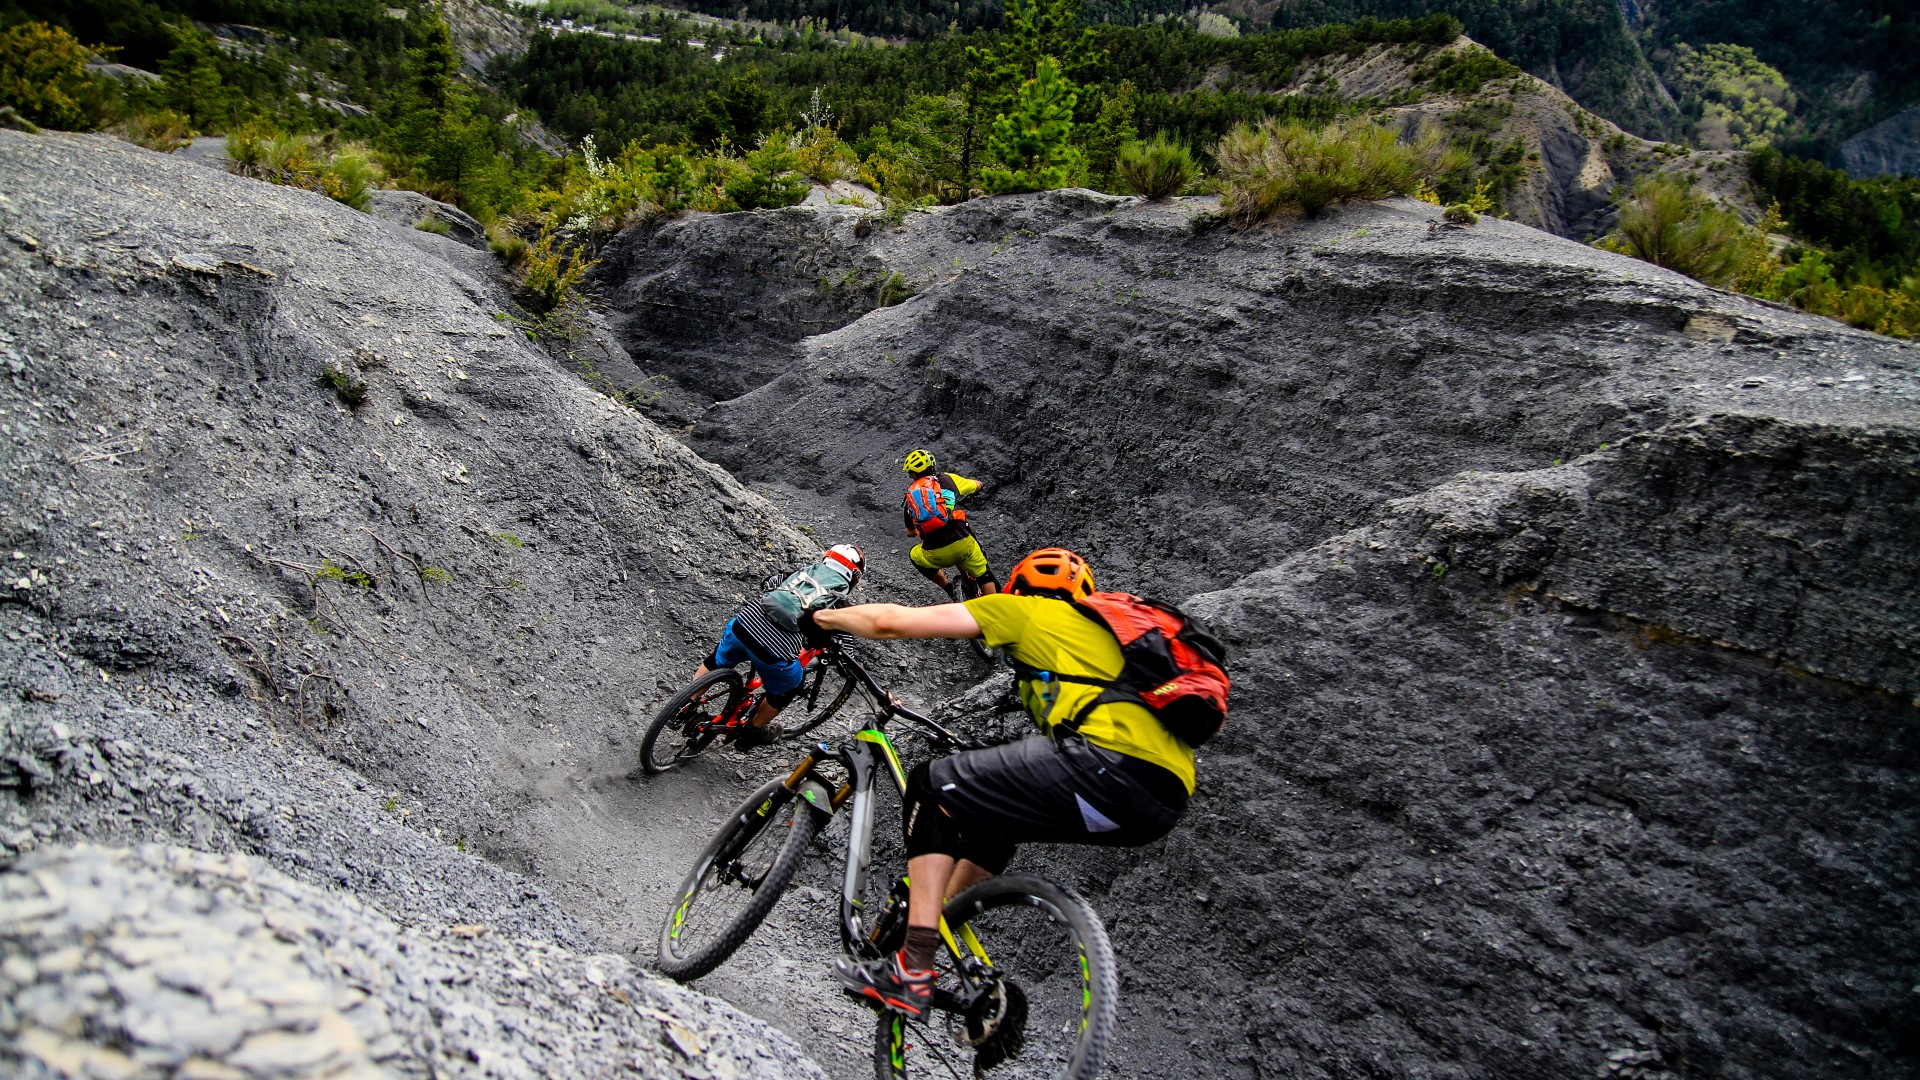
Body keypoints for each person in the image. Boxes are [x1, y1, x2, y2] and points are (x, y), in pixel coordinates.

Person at [808, 547, 1194, 1017]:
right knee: (996, 822)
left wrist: (824, 618)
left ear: (1020, 586)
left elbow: (892, 622)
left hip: (1104, 765)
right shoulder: (1113, 641)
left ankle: (914, 968)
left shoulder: (1023, 610)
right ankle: (941, 928)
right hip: (1161, 802)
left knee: (933, 783)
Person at [692, 544, 865, 750]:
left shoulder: (801, 573)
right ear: (853, 576)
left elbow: (768, 583)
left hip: (745, 622)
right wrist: (853, 668)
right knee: (790, 686)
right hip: (774, 648)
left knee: (715, 661)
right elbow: (846, 659)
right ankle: (753, 731)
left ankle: (685, 704)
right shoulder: (839, 603)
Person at [900, 449, 999, 599]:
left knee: (914, 555)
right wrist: (979, 486)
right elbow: (976, 485)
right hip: (963, 543)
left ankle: (949, 589)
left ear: (913, 474)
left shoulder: (911, 497)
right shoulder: (948, 479)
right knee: (983, 571)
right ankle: (994, 605)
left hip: (935, 554)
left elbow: (910, 533)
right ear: (933, 466)